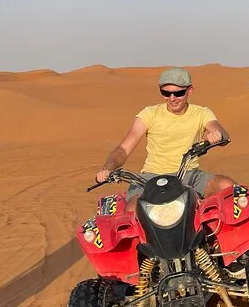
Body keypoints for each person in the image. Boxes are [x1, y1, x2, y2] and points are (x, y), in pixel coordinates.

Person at [95, 67, 235, 208]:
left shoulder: (201, 113)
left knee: (226, 185)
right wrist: (108, 168)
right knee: (135, 207)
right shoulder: (149, 114)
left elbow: (220, 131)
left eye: (178, 93)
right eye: (166, 93)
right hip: (150, 177)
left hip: (189, 174)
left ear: (189, 90)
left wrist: (217, 135)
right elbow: (123, 150)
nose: (172, 98)